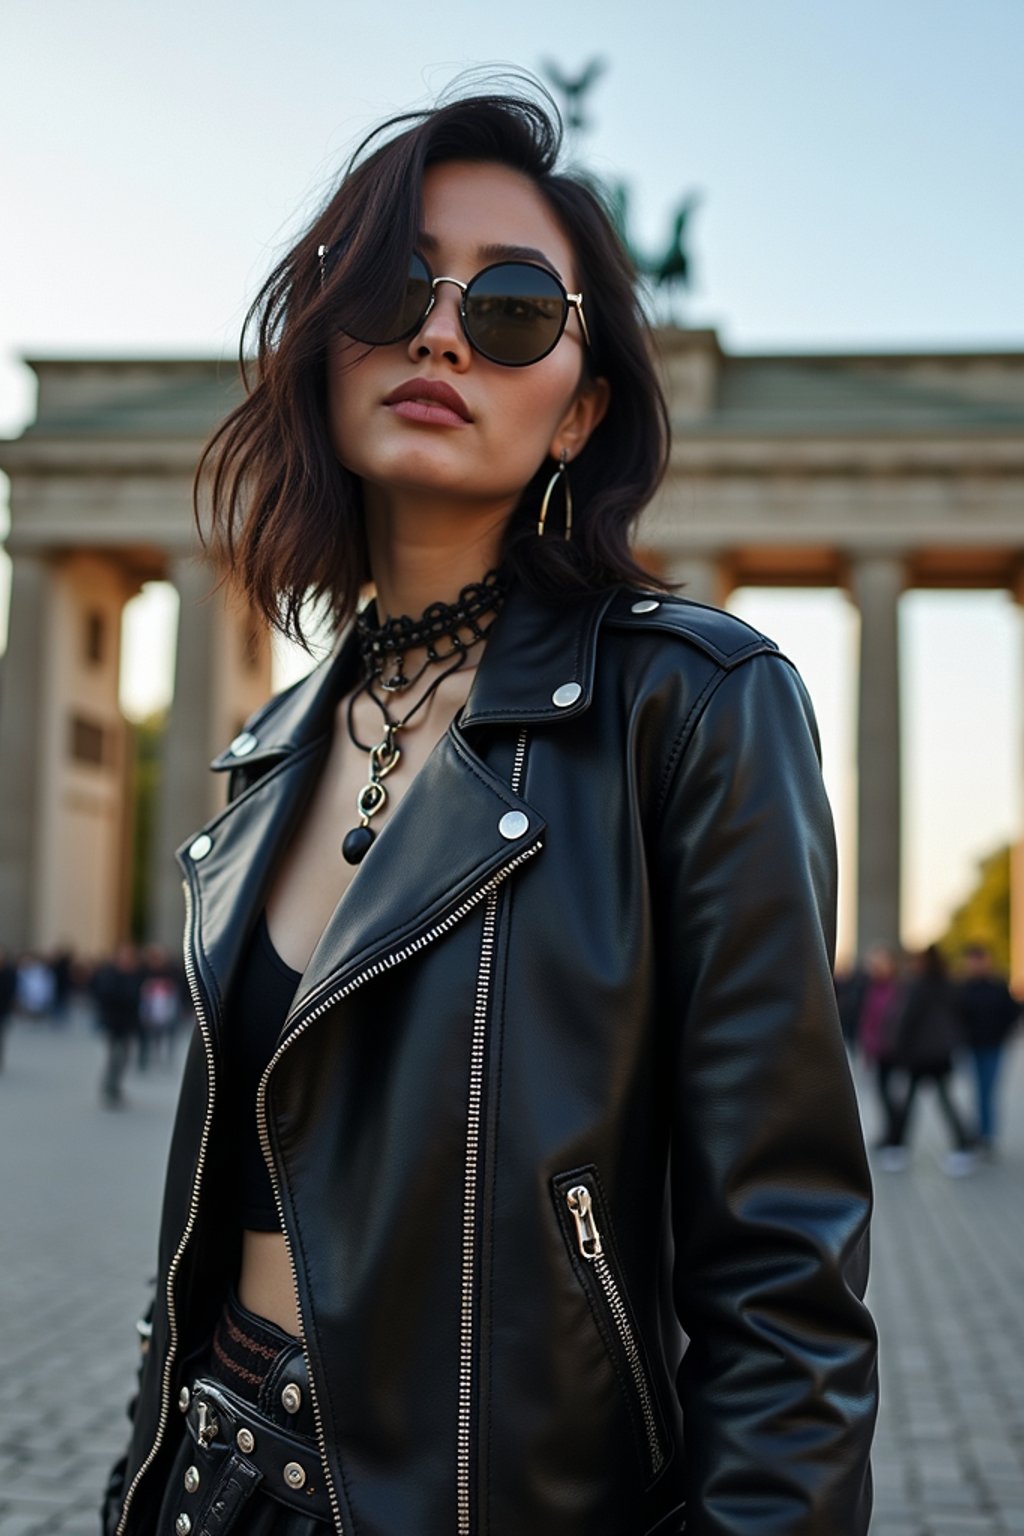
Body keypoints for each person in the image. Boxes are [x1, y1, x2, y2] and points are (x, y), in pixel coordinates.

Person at [102, 87, 877, 1536]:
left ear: (581, 406)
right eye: (395, 288)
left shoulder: (697, 705)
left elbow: (787, 1285)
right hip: (217, 1478)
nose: (442, 332)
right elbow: (195, 1239)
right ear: (326, 343)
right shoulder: (267, 754)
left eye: (514, 307)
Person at [885, 944, 974, 1175]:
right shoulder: (950, 985)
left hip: (918, 1053)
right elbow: (962, 1017)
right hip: (942, 1053)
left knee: (908, 1103)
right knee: (946, 1101)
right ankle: (962, 1149)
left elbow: (906, 1019)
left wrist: (897, 1048)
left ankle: (896, 1149)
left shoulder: (917, 986)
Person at [955, 941, 1021, 1157]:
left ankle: (987, 1135)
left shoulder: (998, 986)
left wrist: (1003, 1034)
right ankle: (980, 1132)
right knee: (977, 1091)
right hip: (972, 1046)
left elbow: (1012, 1013)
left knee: (987, 1091)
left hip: (993, 1046)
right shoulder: (964, 987)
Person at [855, 946, 905, 1152]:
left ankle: (896, 1138)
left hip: (894, 1052)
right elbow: (867, 1020)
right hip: (877, 1051)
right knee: (882, 1095)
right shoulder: (871, 988)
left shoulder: (899, 989)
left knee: (894, 1097)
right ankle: (888, 1135)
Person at [92, 943, 144, 1107]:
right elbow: (105, 995)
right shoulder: (110, 974)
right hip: (113, 1023)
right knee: (115, 1056)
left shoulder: (137, 975)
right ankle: (109, 1087)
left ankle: (116, 1086)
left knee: (124, 1058)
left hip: (129, 1023)